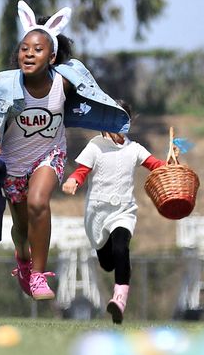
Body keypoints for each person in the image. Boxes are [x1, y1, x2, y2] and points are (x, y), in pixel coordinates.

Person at [0, 1, 129, 302]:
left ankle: (38, 274)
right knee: (21, 229)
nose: (29, 54)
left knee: (38, 202)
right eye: (24, 49)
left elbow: (92, 101)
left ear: (51, 57)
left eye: (37, 50)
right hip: (12, 162)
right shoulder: (8, 84)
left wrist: (105, 125)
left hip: (48, 155)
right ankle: (22, 259)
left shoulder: (63, 81)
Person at [61, 113, 164, 323]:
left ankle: (119, 299)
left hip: (123, 211)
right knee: (108, 263)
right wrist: (73, 180)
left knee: (121, 248)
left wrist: (173, 162)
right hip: (97, 213)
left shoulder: (134, 149)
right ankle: (116, 290)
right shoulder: (95, 146)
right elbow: (82, 170)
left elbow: (156, 165)